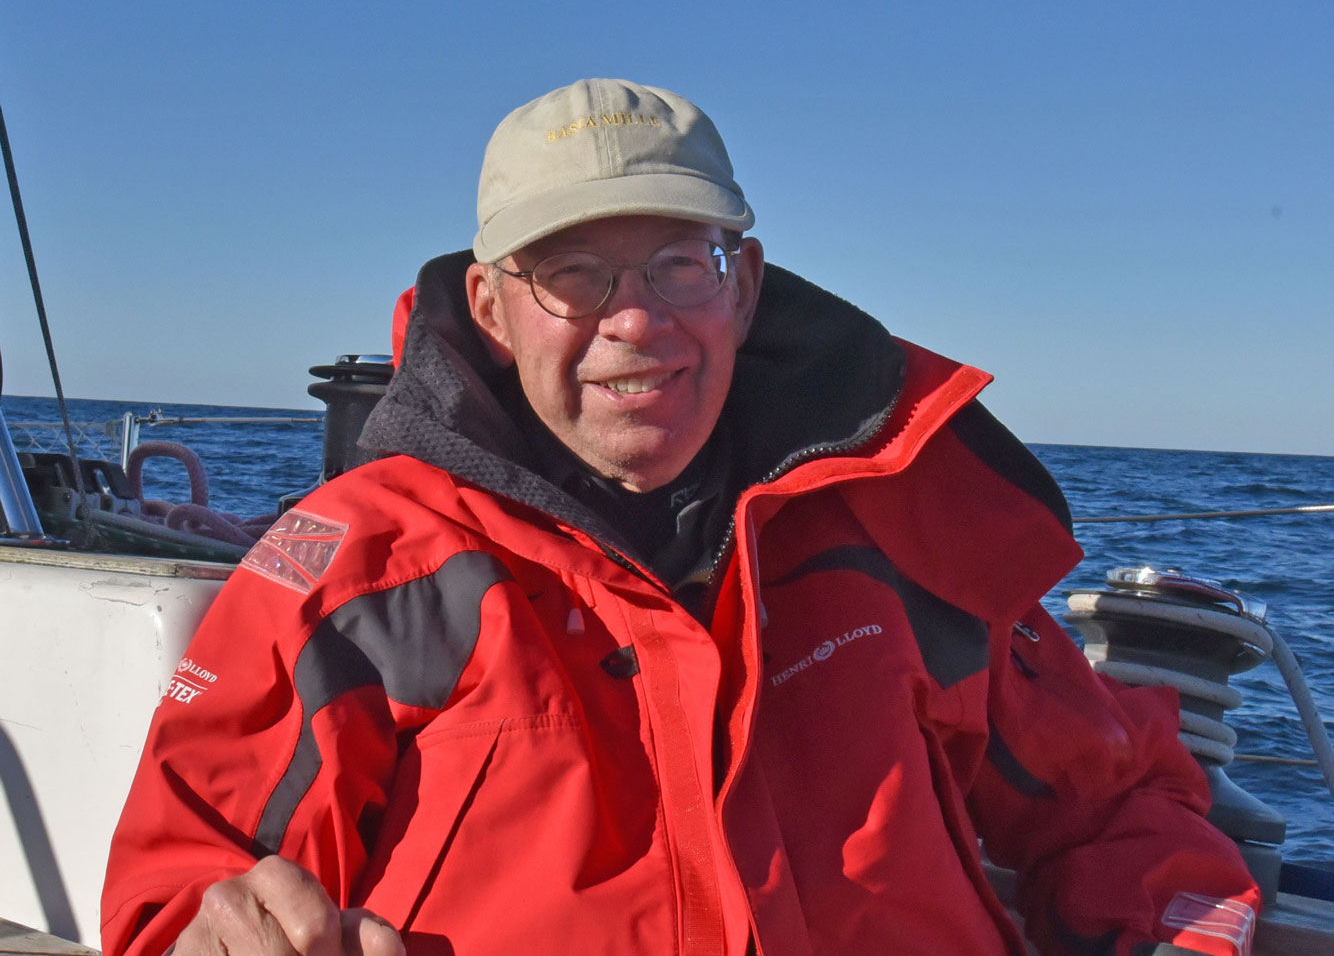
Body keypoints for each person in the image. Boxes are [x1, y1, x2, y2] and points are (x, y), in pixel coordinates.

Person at [102, 79, 1260, 956]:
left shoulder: (898, 533)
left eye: (677, 264)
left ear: (743, 286)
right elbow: (181, 890)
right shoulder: (354, 569)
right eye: (572, 273)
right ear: (492, 307)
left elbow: (1114, 800)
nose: (635, 322)